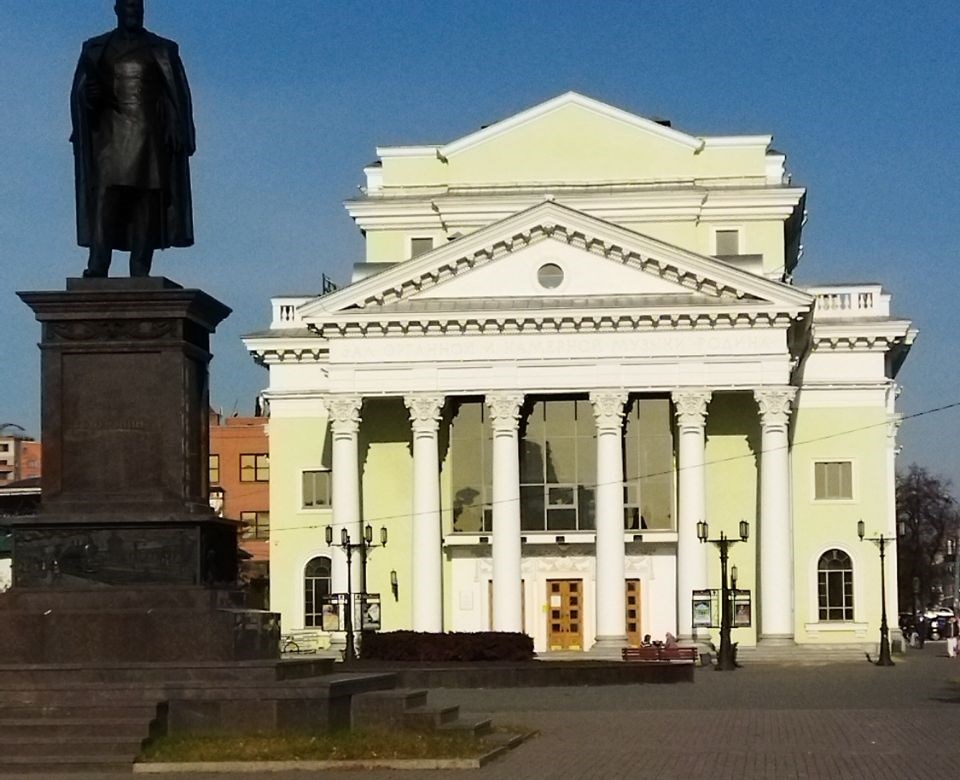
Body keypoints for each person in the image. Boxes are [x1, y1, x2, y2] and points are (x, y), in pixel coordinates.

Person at [70, 0, 195, 278]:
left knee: (146, 199)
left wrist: (177, 126)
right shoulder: (96, 48)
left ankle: (140, 267)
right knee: (105, 197)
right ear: (117, 9)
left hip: (149, 135)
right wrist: (88, 97)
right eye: (128, 6)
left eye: (138, 6)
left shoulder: (162, 48)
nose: (133, 11)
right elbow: (81, 95)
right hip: (109, 136)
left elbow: (178, 96)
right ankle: (98, 263)